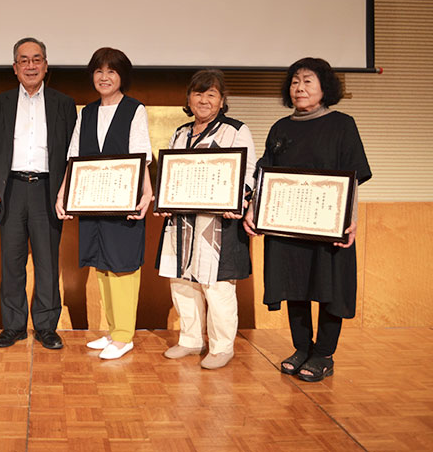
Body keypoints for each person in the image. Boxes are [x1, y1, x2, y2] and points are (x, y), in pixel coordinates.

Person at [244, 57, 371, 382]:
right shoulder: (280, 127)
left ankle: (324, 354)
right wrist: (253, 209)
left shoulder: (342, 124)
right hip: (286, 226)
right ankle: (302, 348)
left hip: (328, 224)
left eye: (308, 81)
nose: (299, 88)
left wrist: (350, 220)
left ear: (324, 87)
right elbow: (264, 175)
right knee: (293, 285)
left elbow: (352, 177)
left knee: (331, 288)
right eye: (295, 82)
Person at [154, 69, 256, 369]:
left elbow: (247, 172)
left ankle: (222, 346)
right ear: (189, 98)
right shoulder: (180, 133)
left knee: (218, 286)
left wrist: (238, 200)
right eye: (198, 93)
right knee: (182, 282)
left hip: (218, 223)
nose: (203, 99)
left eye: (211, 94)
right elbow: (170, 174)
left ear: (222, 100)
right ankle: (190, 339)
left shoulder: (236, 130)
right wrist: (163, 200)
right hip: (181, 221)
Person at [55, 47, 152, 360]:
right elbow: (74, 158)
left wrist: (146, 195)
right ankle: (113, 331)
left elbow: (143, 157)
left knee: (122, 265)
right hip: (93, 201)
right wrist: (62, 194)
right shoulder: (88, 112)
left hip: (124, 200)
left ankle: (125, 336)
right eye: (99, 71)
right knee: (103, 264)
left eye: (111, 71)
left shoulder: (135, 109)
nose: (104, 77)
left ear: (122, 76)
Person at [0, 38, 77, 350]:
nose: (31, 66)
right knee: (11, 262)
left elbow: (71, 153)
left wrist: (66, 193)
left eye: (37, 59)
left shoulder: (64, 104)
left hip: (47, 191)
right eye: (24, 60)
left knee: (48, 262)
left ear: (46, 66)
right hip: (10, 190)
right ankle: (13, 327)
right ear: (15, 68)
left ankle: (47, 327)